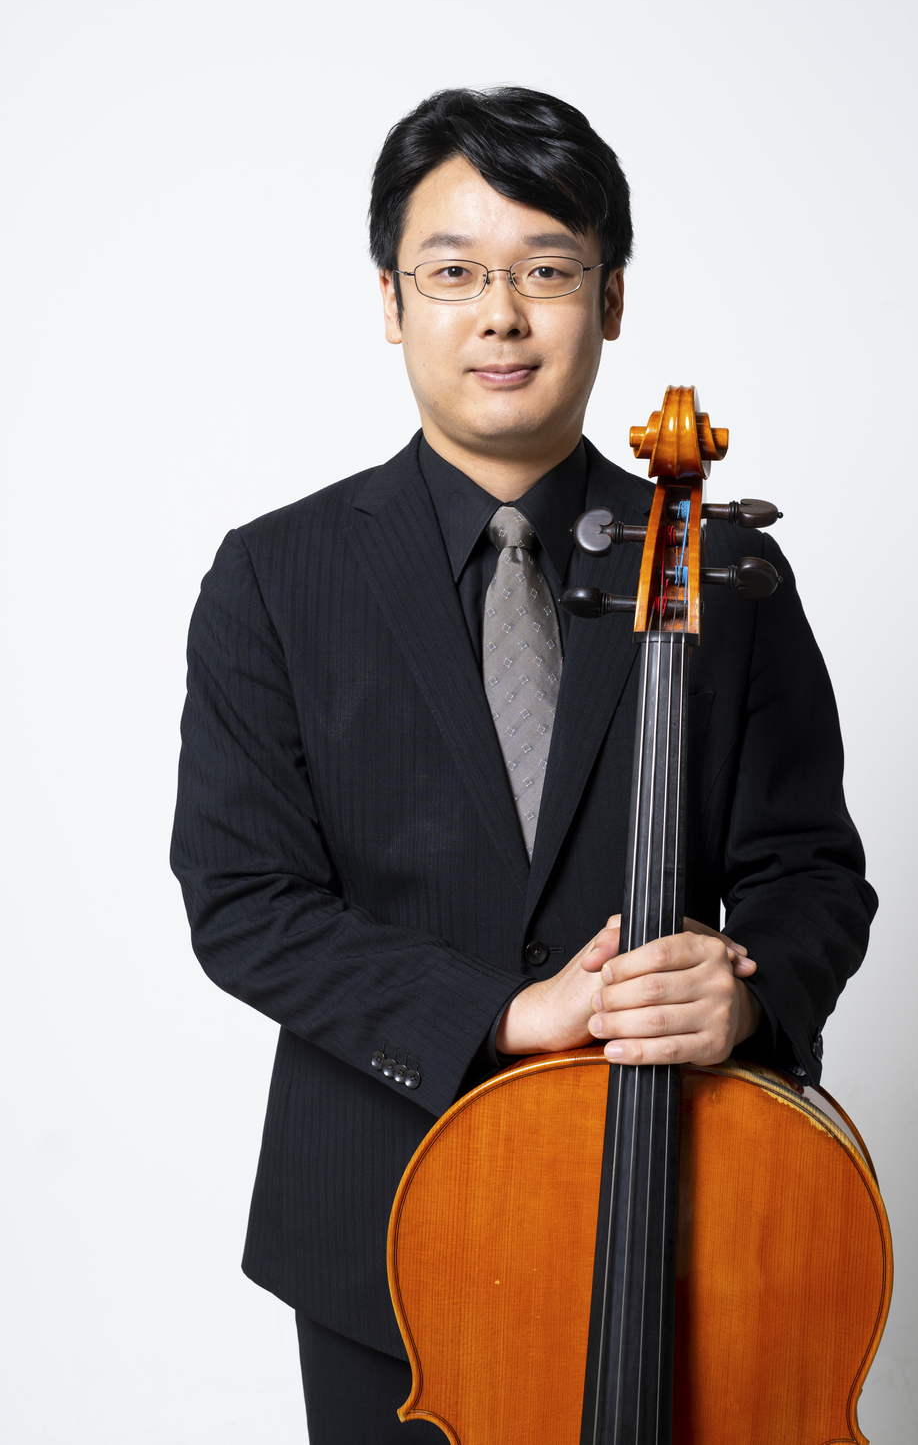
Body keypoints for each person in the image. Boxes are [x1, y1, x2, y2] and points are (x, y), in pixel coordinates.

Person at [170, 86, 876, 1444]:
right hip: (383, 1234)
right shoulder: (275, 576)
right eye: (453, 273)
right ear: (392, 302)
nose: (500, 314)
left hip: (687, 1208)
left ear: (609, 299)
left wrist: (746, 997)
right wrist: (501, 1013)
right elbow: (244, 902)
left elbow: (811, 875)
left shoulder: (727, 569)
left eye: (546, 271)